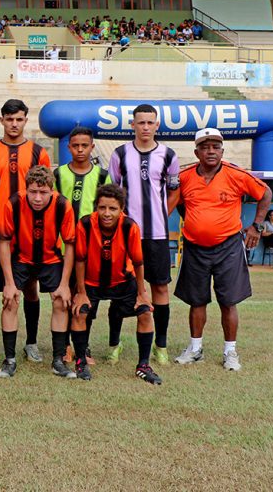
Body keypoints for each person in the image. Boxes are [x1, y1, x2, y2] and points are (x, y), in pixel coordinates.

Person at [173, 128, 271, 372]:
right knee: (197, 301)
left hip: (228, 247)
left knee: (228, 301)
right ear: (196, 152)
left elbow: (266, 193)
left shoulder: (236, 174)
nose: (211, 151)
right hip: (195, 247)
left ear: (222, 150)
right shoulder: (184, 177)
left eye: (215, 147)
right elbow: (180, 205)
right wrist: (198, 224)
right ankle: (195, 349)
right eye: (205, 147)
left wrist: (256, 226)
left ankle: (230, 351)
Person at [0, 99, 51, 363]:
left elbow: (44, 191)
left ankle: (31, 342)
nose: (14, 124)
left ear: (25, 121)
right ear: (2, 120)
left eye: (19, 119)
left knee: (30, 288)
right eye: (9, 119)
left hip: (29, 232)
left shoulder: (37, 152)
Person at [109, 104, 179, 365]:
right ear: (133, 125)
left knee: (159, 287)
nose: (146, 127)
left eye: (150, 123)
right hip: (125, 235)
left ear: (157, 125)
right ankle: (114, 344)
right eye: (141, 123)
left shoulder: (169, 155)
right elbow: (114, 194)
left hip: (158, 236)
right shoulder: (119, 154)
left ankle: (161, 345)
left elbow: (174, 192)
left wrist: (161, 213)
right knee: (120, 287)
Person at [71, 184, 162, 384]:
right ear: (96, 207)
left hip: (122, 281)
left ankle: (143, 365)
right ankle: (80, 361)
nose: (107, 213)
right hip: (91, 281)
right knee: (80, 311)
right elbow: (79, 260)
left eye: (112, 209)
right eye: (102, 207)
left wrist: (142, 292)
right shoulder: (85, 224)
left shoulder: (129, 226)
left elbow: (138, 263)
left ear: (121, 209)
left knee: (146, 311)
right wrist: (81, 292)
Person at [0, 166, 76, 379]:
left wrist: (65, 283)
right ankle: (10, 360)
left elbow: (69, 245)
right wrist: (8, 282)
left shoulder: (62, 204)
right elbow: (3, 242)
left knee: (60, 301)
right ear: (26, 189)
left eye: (43, 192)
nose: (38, 198)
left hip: (50, 259)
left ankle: (58, 360)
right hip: (21, 257)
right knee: (11, 299)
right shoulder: (13, 203)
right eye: (33, 192)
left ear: (51, 190)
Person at [53, 125, 111, 364]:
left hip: (91, 249)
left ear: (92, 147)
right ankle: (65, 345)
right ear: (68, 147)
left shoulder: (101, 175)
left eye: (84, 145)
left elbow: (107, 212)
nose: (79, 150)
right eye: (75, 146)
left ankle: (83, 347)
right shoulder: (58, 175)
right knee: (65, 298)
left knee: (88, 300)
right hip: (62, 247)